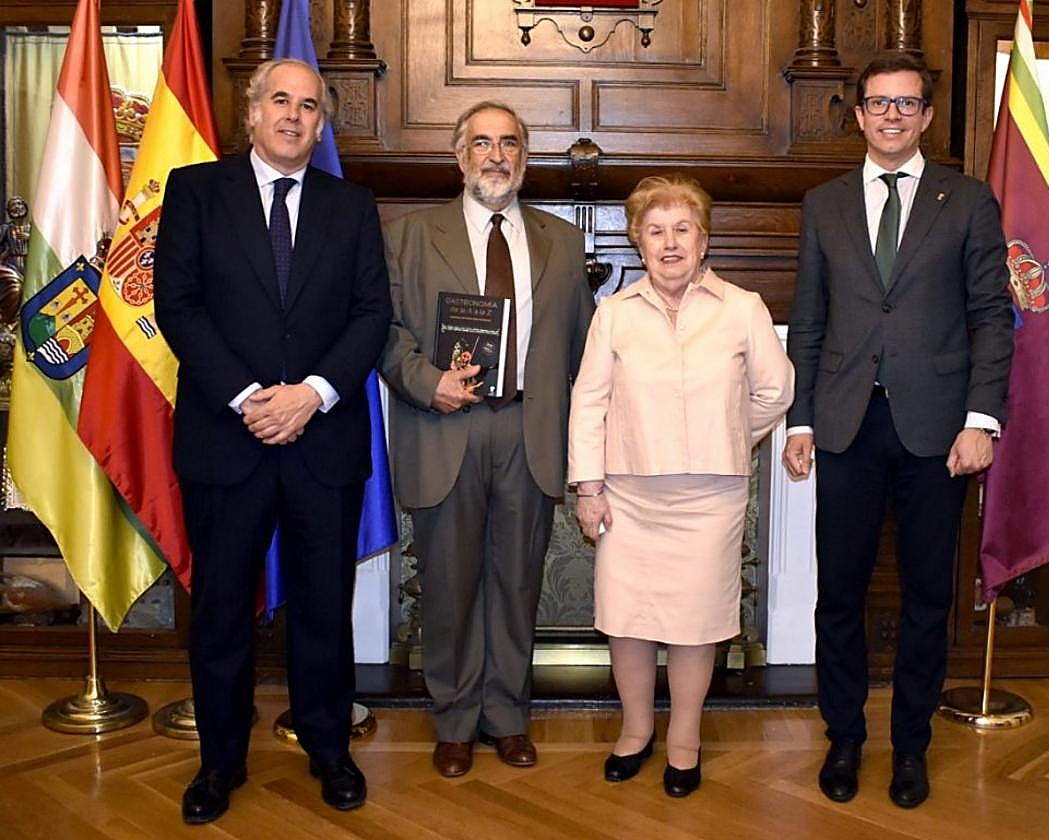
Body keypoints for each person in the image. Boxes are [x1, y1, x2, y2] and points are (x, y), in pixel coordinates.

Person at [156, 58, 390, 824]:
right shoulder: (196, 193)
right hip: (229, 437)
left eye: (309, 106)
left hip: (322, 439)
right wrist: (252, 398)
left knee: (325, 606)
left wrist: (312, 395)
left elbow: (370, 316)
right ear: (251, 114)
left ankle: (329, 747)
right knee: (221, 610)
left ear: (322, 125)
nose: (294, 115)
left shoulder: (351, 207)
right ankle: (219, 761)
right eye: (280, 101)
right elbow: (178, 306)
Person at [782, 51, 1013, 810]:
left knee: (924, 599)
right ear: (858, 115)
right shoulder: (824, 204)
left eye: (906, 104)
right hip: (846, 424)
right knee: (838, 594)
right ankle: (843, 736)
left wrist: (983, 420)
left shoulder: (970, 201)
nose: (891, 115)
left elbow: (989, 318)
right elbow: (810, 321)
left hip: (938, 431)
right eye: (878, 103)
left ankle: (910, 746)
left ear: (924, 116)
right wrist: (802, 417)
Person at [379, 101, 594, 778]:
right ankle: (454, 719)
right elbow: (382, 333)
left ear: (524, 159)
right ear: (458, 155)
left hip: (529, 429)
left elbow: (585, 350)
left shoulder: (561, 241)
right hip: (443, 425)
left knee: (515, 583)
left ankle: (506, 717)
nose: (494, 155)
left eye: (509, 143)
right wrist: (425, 381)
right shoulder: (409, 237)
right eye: (480, 142)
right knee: (447, 584)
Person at [569, 174, 793, 798]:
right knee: (628, 620)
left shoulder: (743, 308)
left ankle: (686, 739)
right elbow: (587, 403)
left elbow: (777, 390)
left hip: (710, 499)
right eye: (655, 231)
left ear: (703, 239)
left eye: (682, 230)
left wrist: (727, 432)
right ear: (638, 243)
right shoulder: (612, 314)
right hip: (627, 496)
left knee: (697, 623)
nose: (670, 243)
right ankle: (636, 731)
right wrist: (588, 488)